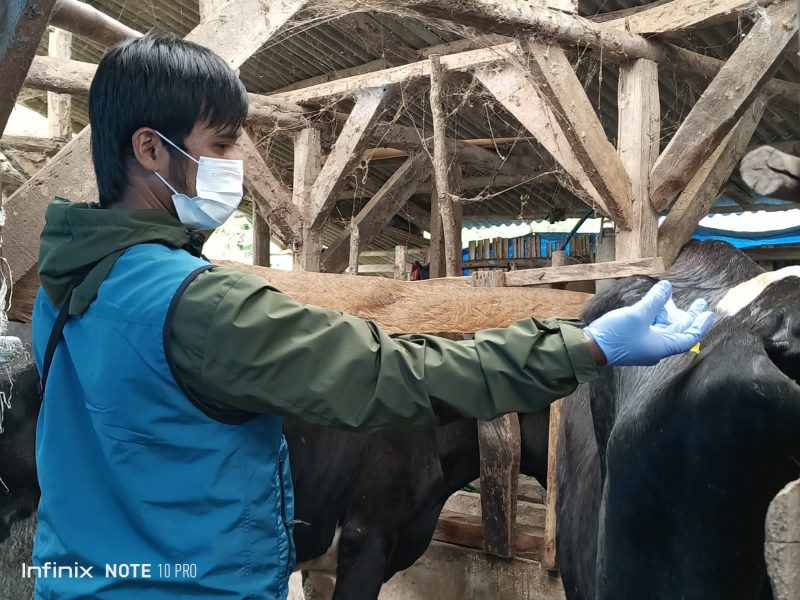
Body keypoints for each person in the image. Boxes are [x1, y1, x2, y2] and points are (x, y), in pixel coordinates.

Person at [31, 33, 714, 600]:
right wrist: (585, 348)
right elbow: (397, 374)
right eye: (222, 145)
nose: (239, 164)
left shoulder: (62, 288)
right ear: (151, 150)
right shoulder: (201, 305)